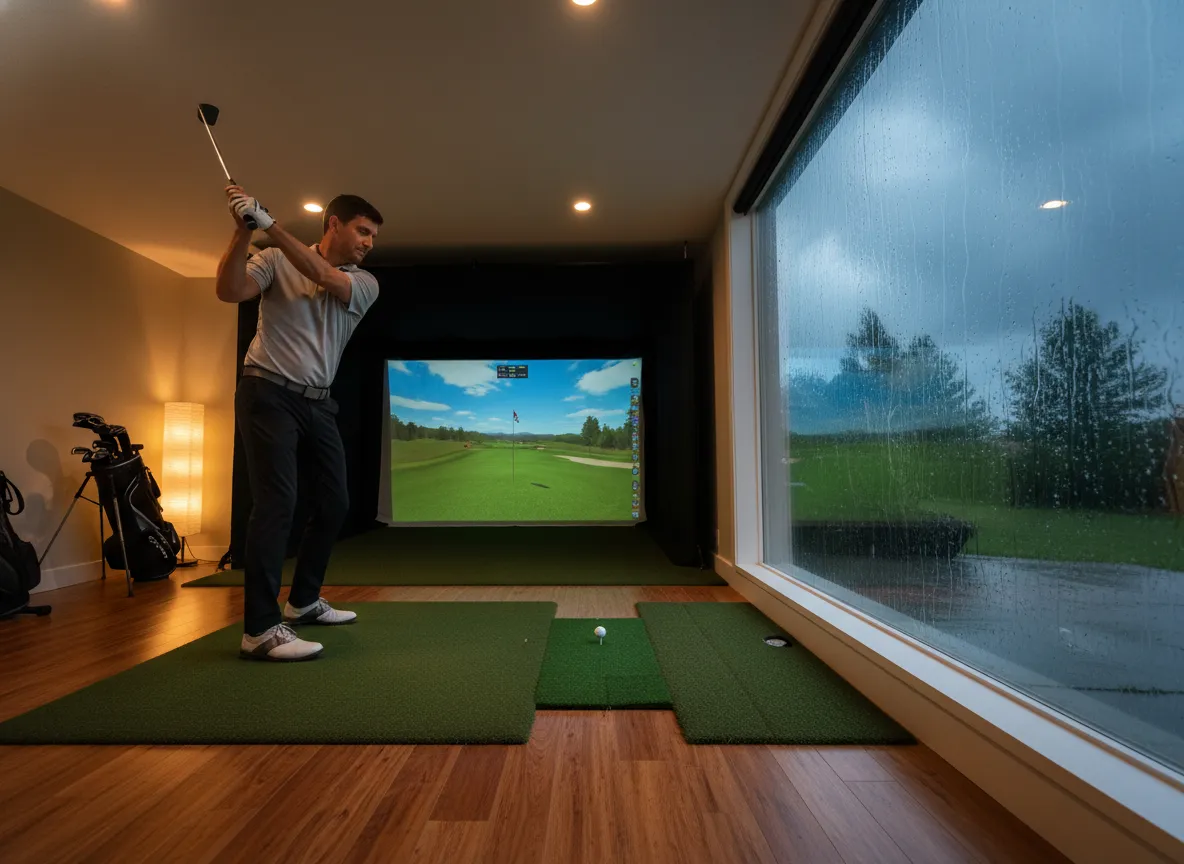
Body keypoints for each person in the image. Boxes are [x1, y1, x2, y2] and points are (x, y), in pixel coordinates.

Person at [215, 186, 383, 661]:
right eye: (362, 231)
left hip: (318, 401)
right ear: (334, 224)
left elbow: (324, 275)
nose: (369, 242)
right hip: (267, 392)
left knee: (335, 502)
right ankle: (259, 630)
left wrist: (268, 225)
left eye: (373, 236)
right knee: (277, 504)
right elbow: (229, 291)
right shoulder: (272, 259)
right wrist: (242, 232)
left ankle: (304, 601)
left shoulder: (365, 283)